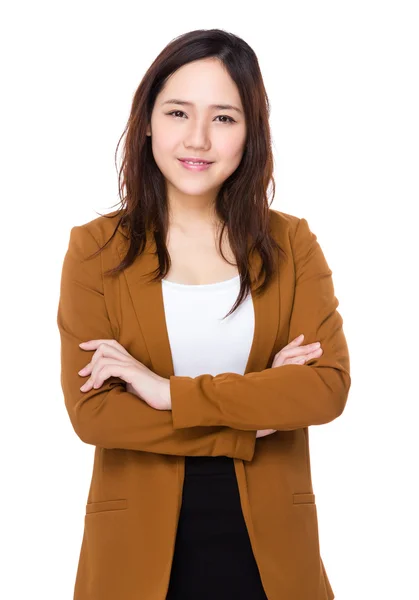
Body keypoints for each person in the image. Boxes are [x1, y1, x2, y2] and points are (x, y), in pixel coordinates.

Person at [57, 28, 351, 600]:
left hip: (272, 555)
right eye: (177, 113)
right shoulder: (94, 249)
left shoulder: (293, 244)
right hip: (135, 559)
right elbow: (95, 414)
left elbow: (326, 389)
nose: (197, 138)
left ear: (250, 132)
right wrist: (252, 413)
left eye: (224, 118)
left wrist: (168, 393)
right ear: (147, 122)